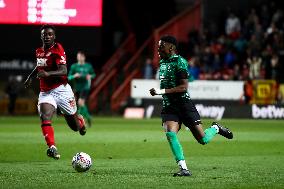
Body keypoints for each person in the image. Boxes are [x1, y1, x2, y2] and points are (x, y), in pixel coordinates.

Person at [149, 35, 233, 177]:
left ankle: (216, 128)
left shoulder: (180, 62)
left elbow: (183, 87)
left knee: (203, 139)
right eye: (158, 45)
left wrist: (160, 91)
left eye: (161, 45)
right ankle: (183, 168)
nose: (158, 48)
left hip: (184, 104)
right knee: (170, 133)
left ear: (171, 47)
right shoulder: (162, 63)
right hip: (169, 106)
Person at [24, 24, 87, 160]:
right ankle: (52, 147)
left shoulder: (58, 49)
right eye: (44, 34)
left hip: (62, 90)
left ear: (54, 36)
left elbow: (63, 70)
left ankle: (80, 121)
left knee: (75, 127)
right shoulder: (39, 51)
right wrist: (30, 76)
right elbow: (40, 65)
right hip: (46, 92)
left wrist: (48, 74)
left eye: (50, 34)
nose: (47, 36)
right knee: (45, 116)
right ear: (41, 36)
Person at [68, 51, 95, 127]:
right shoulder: (74, 66)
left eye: (81, 56)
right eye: (78, 56)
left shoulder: (88, 66)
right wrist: (74, 76)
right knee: (80, 104)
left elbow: (93, 74)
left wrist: (90, 76)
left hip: (86, 86)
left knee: (80, 102)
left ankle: (80, 120)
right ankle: (88, 118)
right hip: (77, 87)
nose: (80, 58)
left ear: (84, 57)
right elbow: (69, 77)